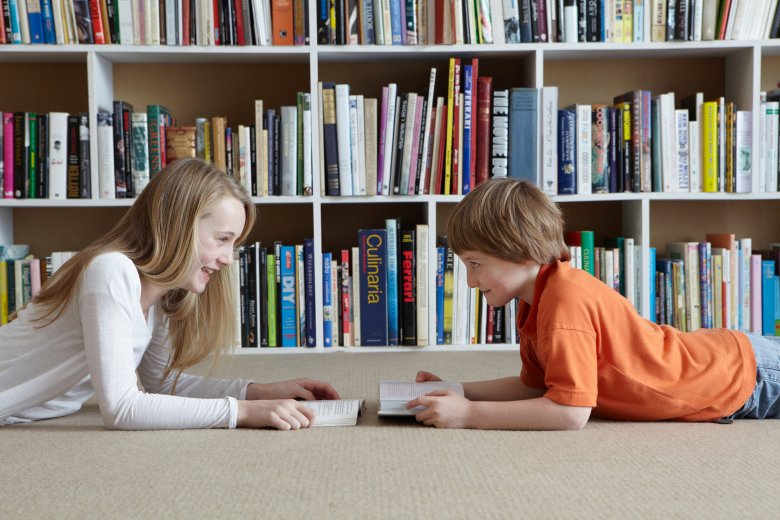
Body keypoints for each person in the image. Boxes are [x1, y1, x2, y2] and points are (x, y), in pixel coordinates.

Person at [407, 178, 780, 429]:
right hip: (728, 357)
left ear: (520, 253)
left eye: (476, 265)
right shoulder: (535, 298)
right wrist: (459, 389)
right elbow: (537, 387)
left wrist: (470, 414)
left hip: (747, 375)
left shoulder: (563, 302)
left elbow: (570, 412)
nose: (470, 282)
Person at [0, 158, 339, 431]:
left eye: (233, 244)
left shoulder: (161, 296)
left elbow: (162, 386)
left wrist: (258, 392)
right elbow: (121, 409)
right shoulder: (112, 272)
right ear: (178, 226)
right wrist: (245, 412)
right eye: (222, 239)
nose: (228, 258)